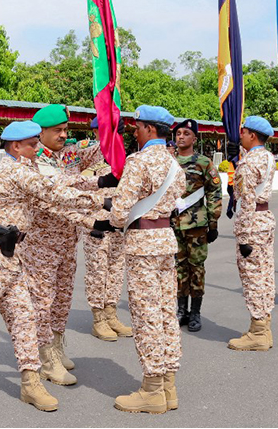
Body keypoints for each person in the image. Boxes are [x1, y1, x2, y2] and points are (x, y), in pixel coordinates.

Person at [0, 120, 105, 412]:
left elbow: (51, 197)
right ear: (16, 146)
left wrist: (92, 215)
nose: (37, 148)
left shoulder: (25, 168)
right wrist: (103, 201)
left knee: (24, 319)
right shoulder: (13, 170)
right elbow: (54, 193)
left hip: (11, 254)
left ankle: (31, 382)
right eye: (32, 144)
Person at [98, 104, 186, 415]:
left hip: (142, 245)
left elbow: (121, 212)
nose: (134, 131)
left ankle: (151, 390)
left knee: (147, 315)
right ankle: (168, 385)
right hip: (165, 241)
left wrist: (112, 217)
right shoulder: (175, 165)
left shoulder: (139, 162)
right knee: (165, 314)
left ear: (149, 129)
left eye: (137, 127)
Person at [19, 104, 116, 386]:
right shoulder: (33, 161)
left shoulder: (70, 153)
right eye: (57, 131)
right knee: (43, 302)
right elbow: (59, 193)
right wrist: (97, 194)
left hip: (67, 240)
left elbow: (102, 151)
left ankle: (57, 347)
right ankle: (44, 357)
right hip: (41, 243)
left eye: (65, 130)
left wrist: (111, 125)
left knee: (62, 300)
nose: (63, 135)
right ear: (41, 133)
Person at [227, 116, 277, 351]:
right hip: (264, 220)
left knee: (253, 278)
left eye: (244, 132)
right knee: (264, 275)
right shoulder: (267, 157)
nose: (241, 136)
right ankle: (263, 327)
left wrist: (244, 236)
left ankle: (258, 332)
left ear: (252, 135)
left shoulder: (248, 164)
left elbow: (246, 200)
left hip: (252, 223)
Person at [82, 115, 132, 345]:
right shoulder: (87, 155)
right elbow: (78, 184)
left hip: (117, 223)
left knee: (115, 269)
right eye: (102, 130)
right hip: (96, 224)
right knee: (97, 272)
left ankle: (111, 313)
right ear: (94, 131)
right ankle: (98, 318)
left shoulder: (122, 156)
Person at [170, 119, 222, 332]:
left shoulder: (203, 162)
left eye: (185, 133)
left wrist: (213, 222)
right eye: (178, 133)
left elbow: (214, 191)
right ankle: (181, 310)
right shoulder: (168, 161)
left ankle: (196, 312)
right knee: (178, 268)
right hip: (172, 225)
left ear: (194, 138)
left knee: (196, 268)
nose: (180, 137)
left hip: (197, 225)